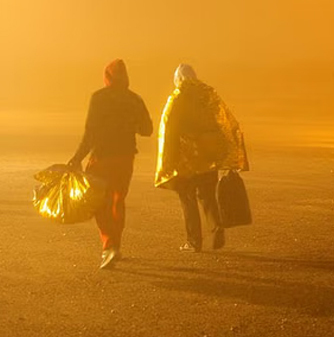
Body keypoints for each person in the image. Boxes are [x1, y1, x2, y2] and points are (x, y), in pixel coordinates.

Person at [68, 59, 153, 269]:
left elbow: (90, 132)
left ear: (107, 76)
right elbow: (147, 130)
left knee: (100, 203)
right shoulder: (135, 100)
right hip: (125, 159)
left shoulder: (99, 98)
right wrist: (130, 123)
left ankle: (109, 246)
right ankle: (115, 245)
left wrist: (77, 157)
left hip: (102, 158)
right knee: (117, 201)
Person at [155, 64, 249, 253]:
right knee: (207, 196)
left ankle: (193, 241)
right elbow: (223, 121)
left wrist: (168, 159)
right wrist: (225, 154)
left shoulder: (177, 98)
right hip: (208, 157)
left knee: (187, 199)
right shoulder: (207, 94)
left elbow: (169, 129)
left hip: (186, 160)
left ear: (178, 79)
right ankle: (216, 227)